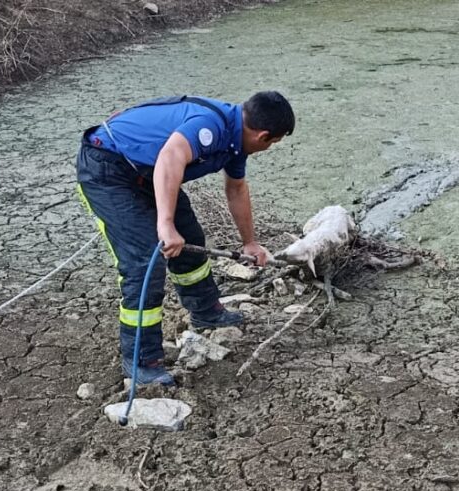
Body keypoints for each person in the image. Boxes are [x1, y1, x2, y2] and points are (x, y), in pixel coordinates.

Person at [76, 91, 295, 386]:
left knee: (191, 239)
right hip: (108, 169)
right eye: (274, 143)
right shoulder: (210, 127)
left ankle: (206, 311)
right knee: (144, 261)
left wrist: (250, 242)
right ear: (264, 136)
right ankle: (140, 359)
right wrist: (165, 225)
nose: (269, 148)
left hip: (148, 172)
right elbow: (171, 156)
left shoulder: (236, 140)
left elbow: (236, 190)